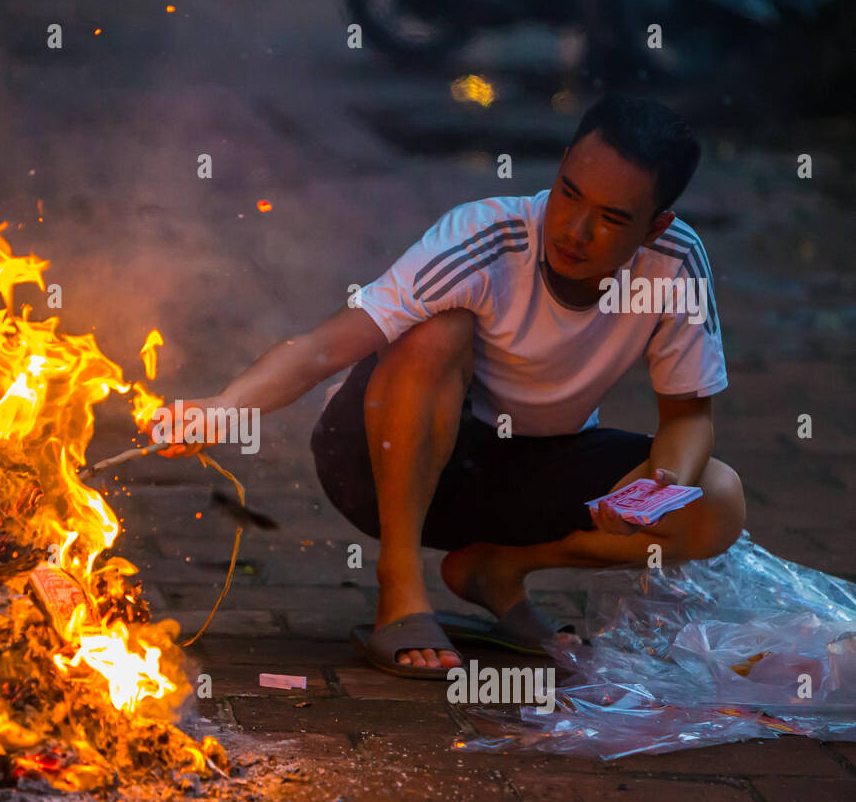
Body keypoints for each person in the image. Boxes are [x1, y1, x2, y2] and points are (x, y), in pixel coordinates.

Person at [149, 93, 746, 678]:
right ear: (561, 165)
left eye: (613, 219)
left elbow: (688, 417)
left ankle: (497, 570)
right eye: (569, 193)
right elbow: (326, 346)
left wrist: (661, 488)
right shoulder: (485, 237)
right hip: (380, 460)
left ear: (655, 226)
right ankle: (400, 587)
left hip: (529, 470)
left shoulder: (674, 262)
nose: (576, 229)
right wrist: (227, 407)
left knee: (717, 499)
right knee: (433, 329)